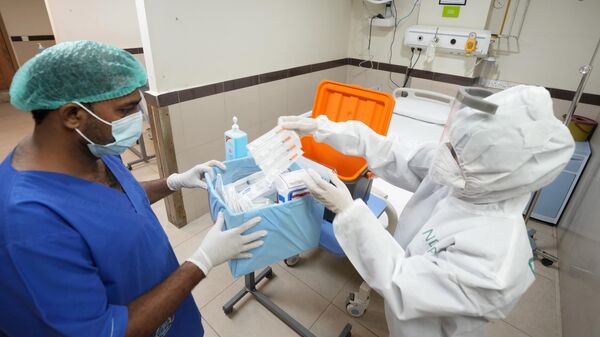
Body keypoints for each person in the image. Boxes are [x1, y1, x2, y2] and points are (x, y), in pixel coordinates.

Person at [0, 41, 266, 337]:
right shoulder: (28, 222)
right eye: (126, 108)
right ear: (72, 115)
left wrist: (173, 182)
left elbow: (112, 199)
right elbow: (104, 331)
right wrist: (201, 262)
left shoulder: (94, 149)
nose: (139, 116)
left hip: (167, 313)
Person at [279, 85, 575, 337]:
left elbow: (401, 283)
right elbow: (394, 153)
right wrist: (322, 128)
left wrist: (349, 212)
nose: (446, 154)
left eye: (457, 153)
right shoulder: (472, 174)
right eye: (454, 143)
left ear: (501, 172)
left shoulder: (497, 257)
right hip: (403, 313)